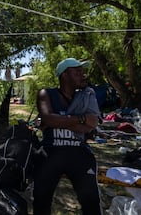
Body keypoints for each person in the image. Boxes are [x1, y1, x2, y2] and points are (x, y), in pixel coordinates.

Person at [33, 58, 103, 215]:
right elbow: (47, 118)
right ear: (64, 75)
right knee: (41, 201)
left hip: (79, 154)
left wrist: (58, 120)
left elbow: (92, 124)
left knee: (91, 202)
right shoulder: (46, 94)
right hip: (51, 153)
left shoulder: (85, 97)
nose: (82, 75)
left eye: (82, 71)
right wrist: (81, 119)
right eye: (77, 72)